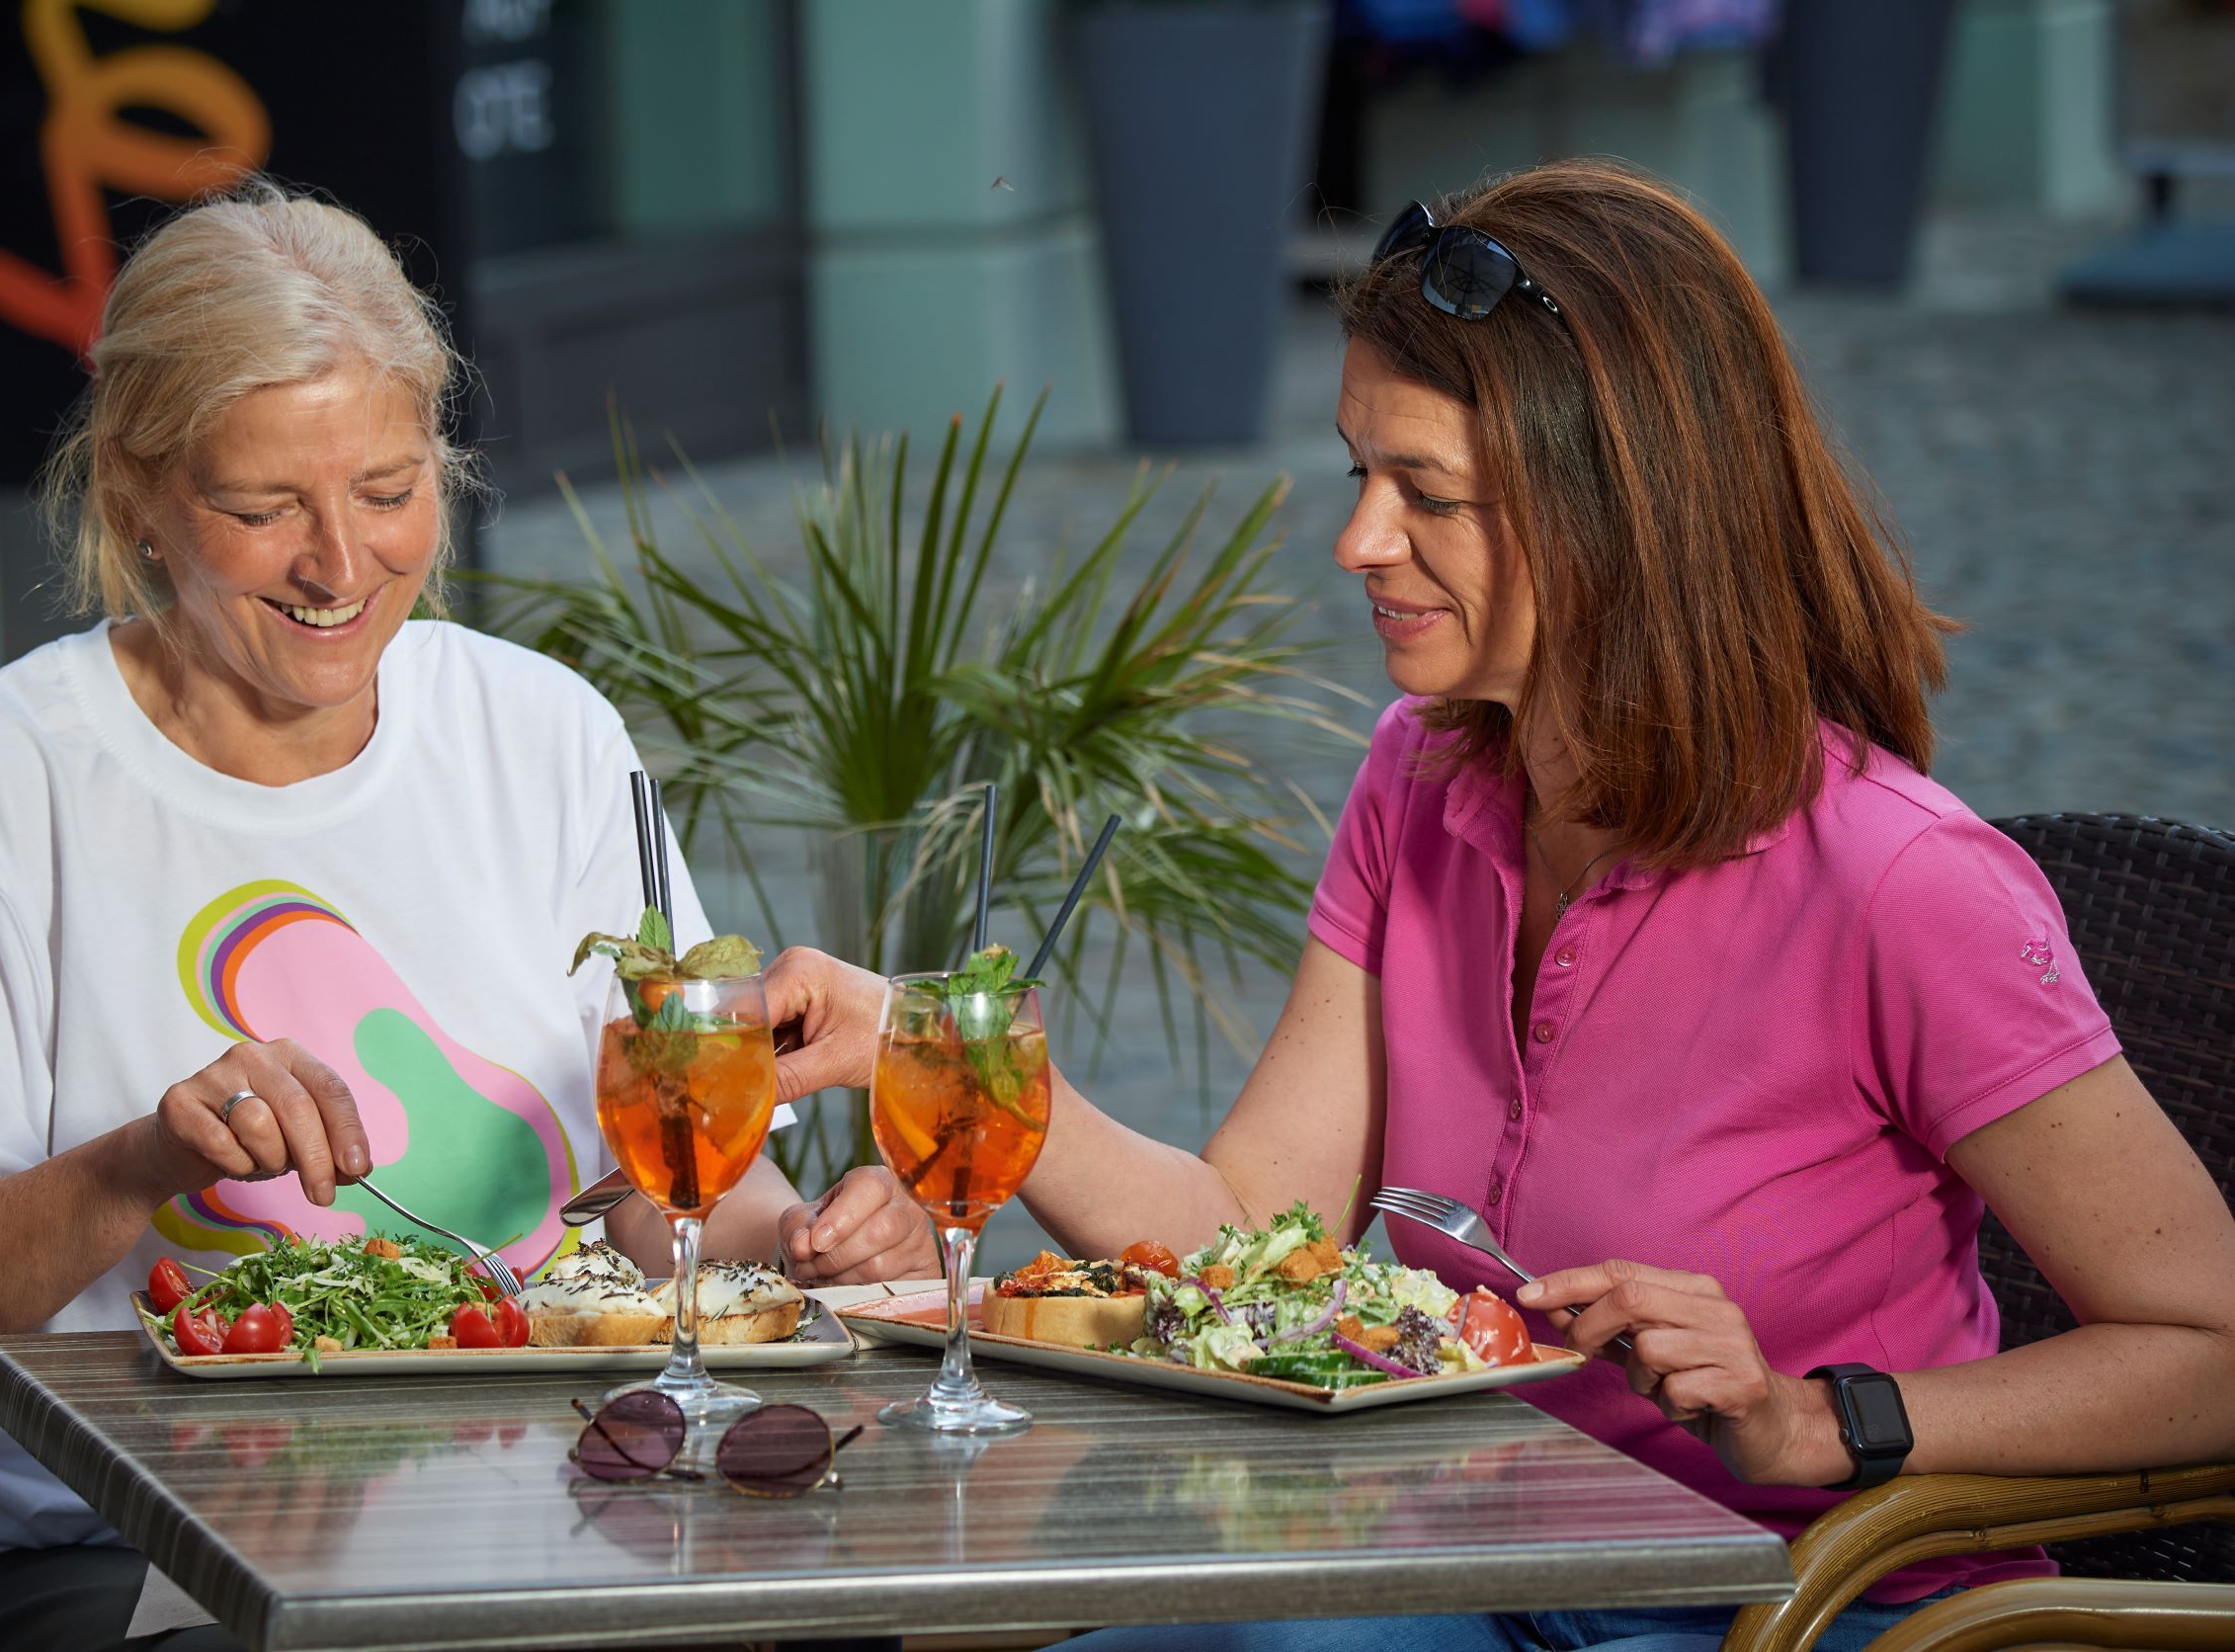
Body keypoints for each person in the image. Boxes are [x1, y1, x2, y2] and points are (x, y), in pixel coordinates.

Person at [769, 160, 2235, 1650]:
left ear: (1623, 513)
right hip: (1469, 1569)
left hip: (1807, 1608)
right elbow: (1239, 1236)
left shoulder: (1903, 885)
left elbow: (2215, 1346)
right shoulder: (1420, 786)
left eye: (1430, 495)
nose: (1358, 543)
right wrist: (936, 1050)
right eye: (1362, 477)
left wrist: (1825, 1421)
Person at [0, 183, 936, 1652]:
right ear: (136, 495)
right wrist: (144, 1160)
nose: (340, 564)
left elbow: (668, 1192)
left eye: (388, 493)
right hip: (105, 1550)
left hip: (553, 1501)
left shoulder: (548, 735)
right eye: (265, 510)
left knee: (840, 1623)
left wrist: (806, 1245)